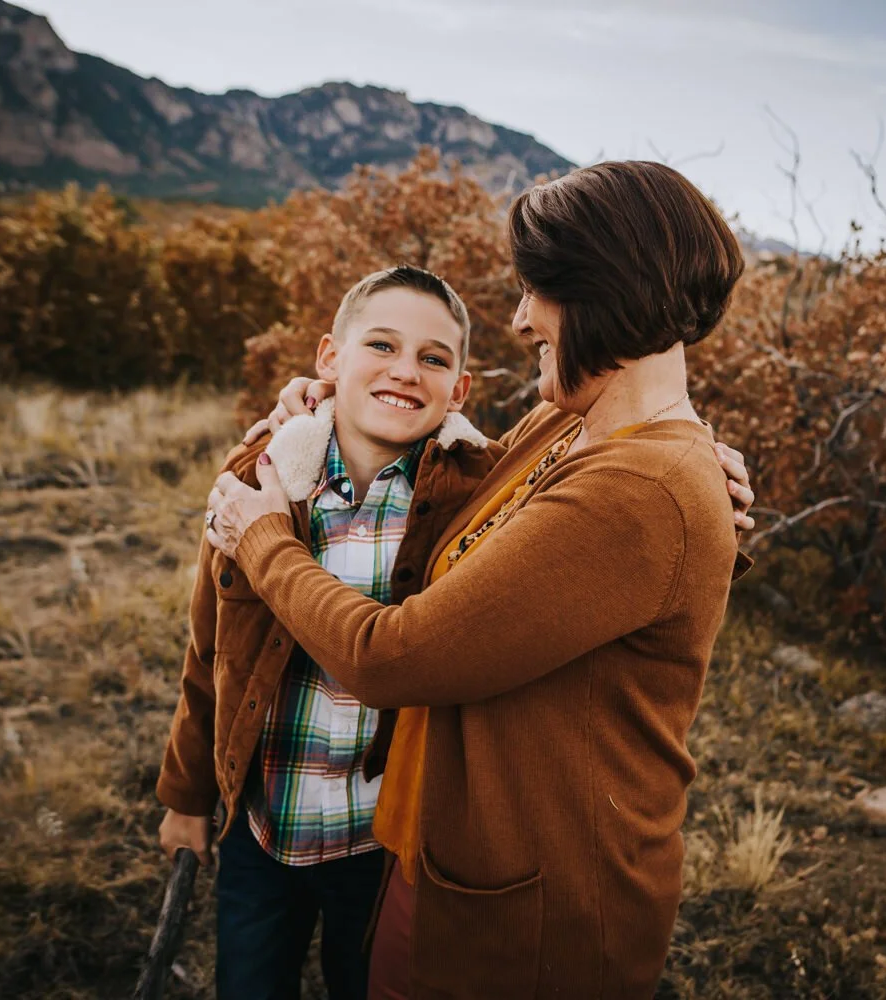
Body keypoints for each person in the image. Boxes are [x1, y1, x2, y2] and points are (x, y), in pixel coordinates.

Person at [205, 160, 752, 998]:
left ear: (601, 290)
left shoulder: (641, 482)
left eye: (536, 289)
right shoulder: (567, 427)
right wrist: (329, 409)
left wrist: (264, 538)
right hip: (444, 858)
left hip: (530, 921)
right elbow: (465, 505)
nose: (519, 314)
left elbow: (392, 658)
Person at [156, 266, 499, 1000]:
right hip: (262, 825)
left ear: (460, 390)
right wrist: (186, 797)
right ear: (329, 359)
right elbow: (210, 648)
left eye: (434, 358)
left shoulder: (478, 498)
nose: (406, 371)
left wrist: (700, 472)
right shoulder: (261, 476)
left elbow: (583, 491)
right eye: (381, 345)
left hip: (387, 844)